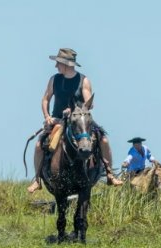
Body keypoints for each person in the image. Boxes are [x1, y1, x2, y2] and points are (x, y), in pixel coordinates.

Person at [27, 48, 123, 193]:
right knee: (39, 145)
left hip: (80, 120)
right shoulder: (54, 79)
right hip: (58, 120)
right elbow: (45, 99)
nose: (56, 66)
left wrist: (73, 111)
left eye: (58, 63)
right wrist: (47, 117)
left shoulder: (83, 81)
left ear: (66, 64)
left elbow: (89, 103)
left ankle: (110, 173)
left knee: (104, 141)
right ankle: (37, 179)